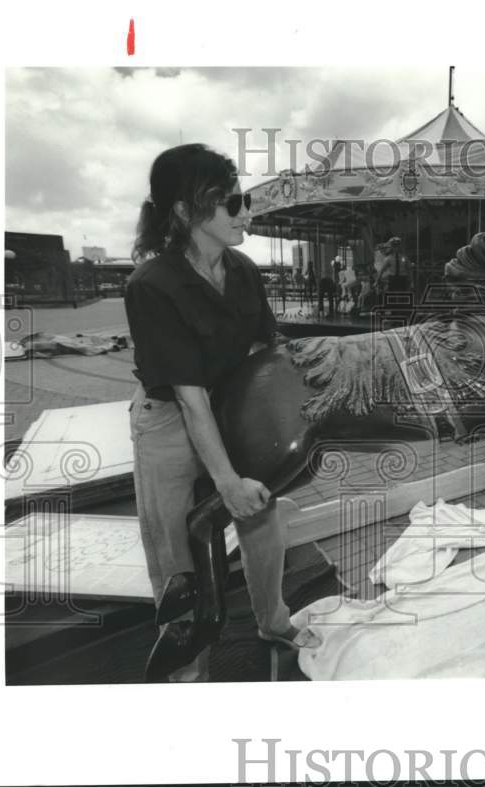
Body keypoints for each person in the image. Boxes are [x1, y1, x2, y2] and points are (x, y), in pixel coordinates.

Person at [125, 144, 318, 682]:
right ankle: (191, 670)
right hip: (168, 419)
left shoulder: (244, 271)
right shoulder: (152, 285)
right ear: (186, 213)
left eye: (245, 199)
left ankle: (272, 619)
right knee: (176, 551)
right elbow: (188, 398)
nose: (245, 212)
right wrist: (226, 480)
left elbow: (263, 353)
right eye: (231, 203)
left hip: (230, 406)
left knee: (262, 521)